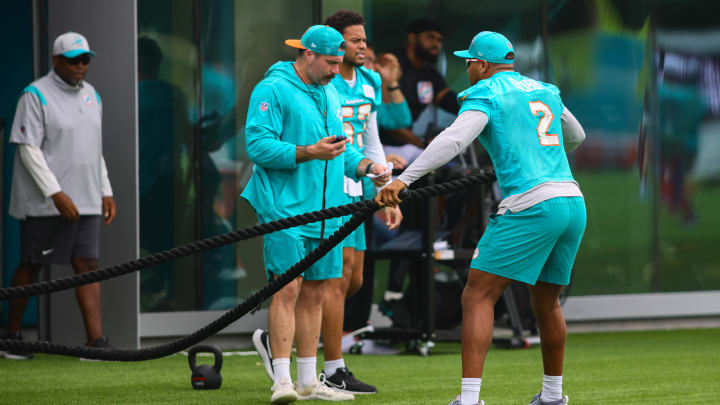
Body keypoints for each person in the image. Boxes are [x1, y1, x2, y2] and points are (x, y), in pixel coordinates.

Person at [376, 31, 587, 405]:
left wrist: (403, 180)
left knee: (477, 295)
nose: (467, 67)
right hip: (571, 201)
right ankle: (553, 396)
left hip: (532, 204)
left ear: (483, 65)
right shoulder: (543, 88)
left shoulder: (485, 92)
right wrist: (544, 156)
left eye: (468, 61)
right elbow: (576, 135)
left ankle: (470, 400)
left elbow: (454, 140)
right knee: (548, 302)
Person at [242, 25, 388, 404]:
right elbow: (257, 146)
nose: (336, 70)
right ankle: (282, 381)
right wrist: (308, 152)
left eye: (339, 63)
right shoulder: (271, 88)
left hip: (327, 212)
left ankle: (308, 381)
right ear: (307, 54)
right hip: (285, 210)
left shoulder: (329, 90)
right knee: (287, 289)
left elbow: (339, 150)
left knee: (317, 293)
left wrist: (368, 168)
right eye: (329, 62)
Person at [1, 32, 117, 360]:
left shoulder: (93, 95)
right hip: (46, 201)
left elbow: (94, 150)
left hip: (88, 197)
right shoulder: (34, 95)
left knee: (89, 265)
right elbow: (27, 150)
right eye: (73, 60)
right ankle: (9, 335)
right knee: (31, 263)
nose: (81, 66)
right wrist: (56, 193)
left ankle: (96, 342)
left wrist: (105, 190)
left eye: (85, 60)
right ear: (56, 61)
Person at [307, 9, 403, 395]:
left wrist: (388, 187)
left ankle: (288, 331)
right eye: (355, 40)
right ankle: (333, 367)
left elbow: (370, 138)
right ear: (335, 44)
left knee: (355, 279)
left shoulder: (369, 81)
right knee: (338, 276)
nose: (363, 46)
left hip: (360, 183)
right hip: (330, 185)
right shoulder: (324, 82)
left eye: (364, 39)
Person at [381, 18, 461, 164]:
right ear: (412, 37)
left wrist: (474, 106)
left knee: (446, 171)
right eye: (430, 37)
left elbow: (446, 98)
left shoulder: (429, 73)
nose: (436, 44)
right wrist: (422, 143)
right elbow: (389, 122)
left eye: (439, 40)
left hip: (408, 145)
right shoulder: (391, 64)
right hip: (380, 146)